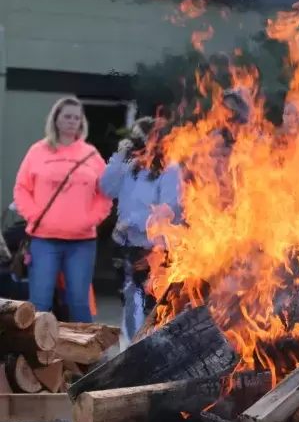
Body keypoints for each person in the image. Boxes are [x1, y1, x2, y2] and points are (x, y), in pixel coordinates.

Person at [13, 97, 111, 322]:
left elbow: (105, 193)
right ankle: (35, 354)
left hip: (82, 242)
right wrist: (34, 216)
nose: (72, 121)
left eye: (77, 117)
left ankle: (85, 355)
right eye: (67, 116)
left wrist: (91, 219)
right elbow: (21, 189)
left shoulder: (91, 155)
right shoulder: (37, 151)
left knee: (78, 301)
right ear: (56, 119)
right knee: (40, 303)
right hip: (44, 240)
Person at [99, 117, 183, 341]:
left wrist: (132, 221)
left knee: (154, 307)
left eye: (142, 138)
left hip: (154, 249)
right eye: (133, 138)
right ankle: (129, 355)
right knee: (130, 305)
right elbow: (106, 188)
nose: (137, 144)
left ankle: (155, 355)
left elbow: (170, 208)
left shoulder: (170, 169)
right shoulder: (129, 168)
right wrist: (118, 158)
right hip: (127, 246)